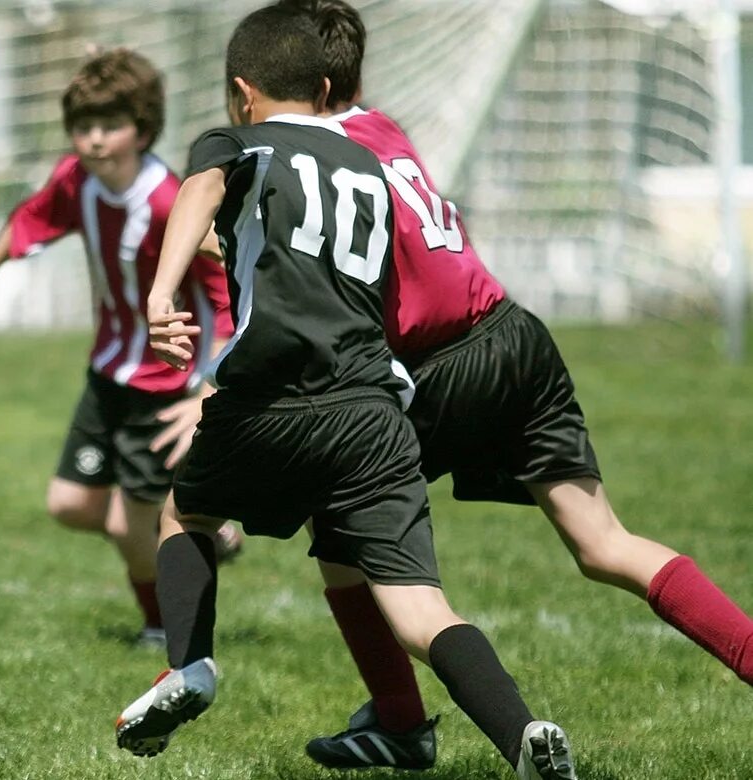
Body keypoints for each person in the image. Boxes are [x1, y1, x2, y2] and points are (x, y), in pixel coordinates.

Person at [269, 0, 753, 771]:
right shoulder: (385, 127)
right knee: (603, 543)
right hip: (515, 334)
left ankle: (400, 719)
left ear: (305, 87)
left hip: (440, 366)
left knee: (339, 529)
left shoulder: (308, 162)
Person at [112, 8, 576, 779]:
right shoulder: (367, 164)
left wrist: (163, 296)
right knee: (422, 610)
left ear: (240, 93)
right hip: (375, 411)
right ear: (328, 89)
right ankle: (524, 734)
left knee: (182, 513)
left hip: (268, 402)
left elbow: (199, 192)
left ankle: (189, 666)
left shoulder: (238, 143)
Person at [0, 48, 240, 649]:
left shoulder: (167, 203)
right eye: (84, 127)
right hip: (107, 372)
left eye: (111, 125)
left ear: (144, 127)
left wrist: (209, 380)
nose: (95, 140)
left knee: (131, 526)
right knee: (70, 504)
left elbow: (222, 294)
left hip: (163, 383)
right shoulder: (75, 181)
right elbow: (28, 219)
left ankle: (161, 629)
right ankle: (195, 534)